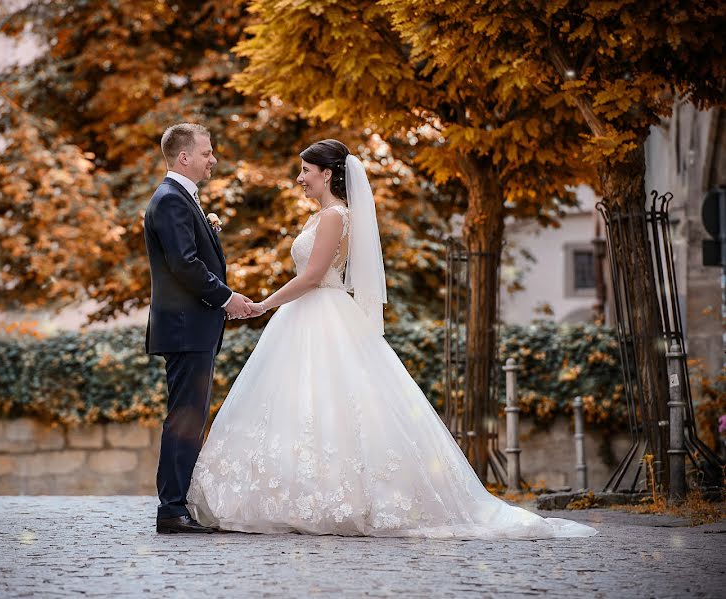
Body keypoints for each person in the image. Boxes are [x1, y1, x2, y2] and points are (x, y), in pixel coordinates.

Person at [186, 139, 598, 539]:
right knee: (307, 404)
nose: (300, 178)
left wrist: (263, 305)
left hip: (321, 312)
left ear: (328, 174)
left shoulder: (334, 217)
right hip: (310, 316)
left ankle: (337, 498)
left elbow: (312, 277)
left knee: (330, 404)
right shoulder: (323, 216)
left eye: (306, 171)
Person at [144, 123, 262, 534]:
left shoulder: (180, 199)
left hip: (192, 327)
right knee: (185, 418)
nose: (213, 159)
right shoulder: (172, 201)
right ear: (184, 157)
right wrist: (227, 298)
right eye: (207, 152)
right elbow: (185, 265)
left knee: (189, 417)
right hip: (185, 328)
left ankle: (178, 506)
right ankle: (172, 510)